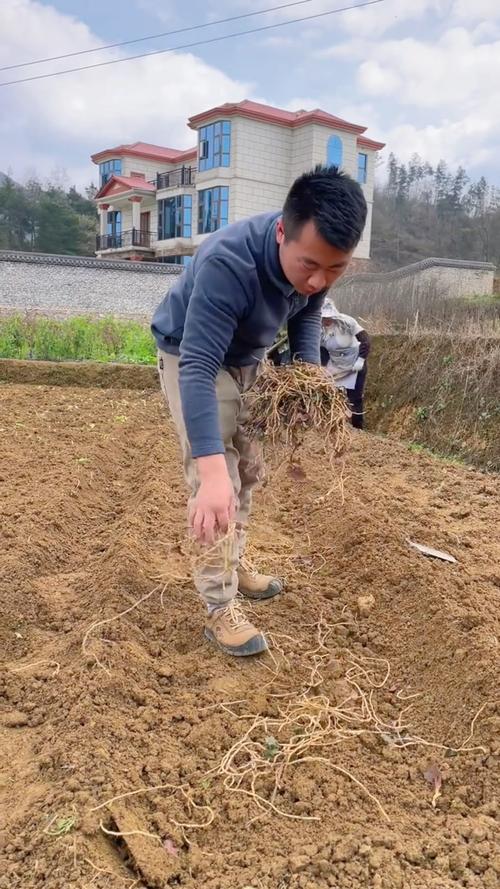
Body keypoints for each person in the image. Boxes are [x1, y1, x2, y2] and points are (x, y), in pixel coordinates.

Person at [151, 165, 367, 657]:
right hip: (192, 354)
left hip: (248, 356)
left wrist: (308, 372)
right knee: (219, 476)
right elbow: (200, 365)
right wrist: (208, 471)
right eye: (309, 265)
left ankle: (235, 562)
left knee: (249, 469)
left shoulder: (317, 262)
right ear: (280, 233)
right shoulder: (230, 264)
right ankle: (218, 605)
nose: (318, 280)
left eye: (335, 269)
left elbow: (308, 308)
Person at [320, 301, 371, 429]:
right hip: (336, 365)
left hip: (354, 364)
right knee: (332, 395)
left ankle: (357, 427)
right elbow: (322, 351)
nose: (327, 320)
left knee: (354, 398)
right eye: (324, 318)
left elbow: (365, 340)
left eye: (329, 317)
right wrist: (323, 368)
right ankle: (335, 426)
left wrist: (361, 360)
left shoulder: (347, 322)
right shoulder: (318, 329)